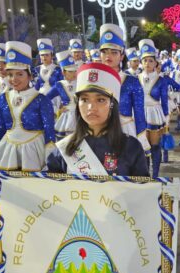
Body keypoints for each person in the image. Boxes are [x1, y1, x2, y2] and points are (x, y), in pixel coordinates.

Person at [47, 63, 148, 176]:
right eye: (84, 100)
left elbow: (143, 192)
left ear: (112, 105)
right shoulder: (63, 149)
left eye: (100, 100)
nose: (91, 107)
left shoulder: (131, 147)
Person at [0, 41, 56, 172]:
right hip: (8, 149)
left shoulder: (41, 99)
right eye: (10, 74)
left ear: (30, 75)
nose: (14, 79)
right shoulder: (4, 98)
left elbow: (49, 131)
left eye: (20, 74)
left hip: (34, 150)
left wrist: (50, 156)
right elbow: (1, 127)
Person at [98, 24, 149, 156]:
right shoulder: (93, 80)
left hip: (125, 130)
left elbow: (139, 113)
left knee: (123, 169)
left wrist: (142, 139)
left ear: (121, 56)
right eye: (104, 51)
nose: (108, 55)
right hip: (98, 130)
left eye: (114, 52)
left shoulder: (132, 81)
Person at [138, 39, 169, 177]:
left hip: (155, 113)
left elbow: (164, 101)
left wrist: (166, 118)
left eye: (151, 60)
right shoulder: (135, 78)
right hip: (139, 114)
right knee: (143, 146)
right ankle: (145, 174)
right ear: (141, 62)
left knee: (155, 146)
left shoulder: (161, 80)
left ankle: (155, 174)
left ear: (156, 63)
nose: (148, 63)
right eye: (145, 60)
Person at [46, 50, 79, 139]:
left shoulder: (81, 82)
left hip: (80, 116)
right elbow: (45, 99)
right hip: (66, 116)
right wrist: (57, 109)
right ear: (63, 72)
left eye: (75, 71)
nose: (74, 74)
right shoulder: (59, 85)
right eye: (70, 71)